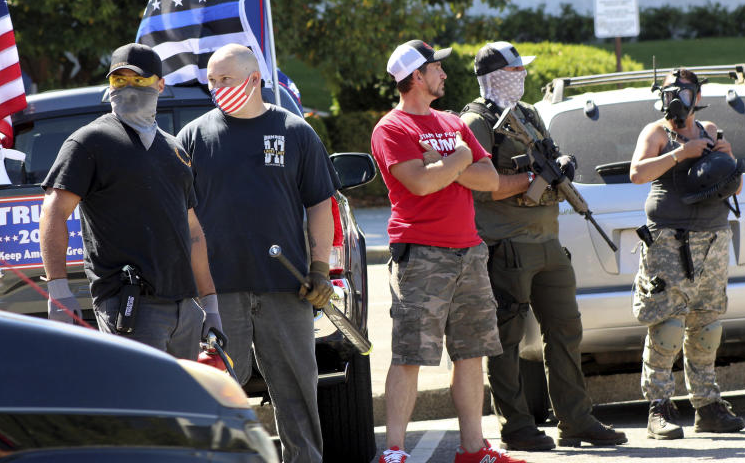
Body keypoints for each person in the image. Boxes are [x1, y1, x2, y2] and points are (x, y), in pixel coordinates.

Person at [459, 41, 627, 451]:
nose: (522, 78)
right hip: (507, 244)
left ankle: (576, 419)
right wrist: (527, 182)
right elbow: (476, 186)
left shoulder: (528, 114)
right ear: (495, 75)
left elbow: (547, 155)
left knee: (566, 329)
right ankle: (515, 426)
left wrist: (561, 164)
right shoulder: (476, 121)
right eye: (515, 72)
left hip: (548, 240)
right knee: (506, 337)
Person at [177, 43, 336, 463]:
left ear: (254, 79)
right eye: (211, 80)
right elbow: (176, 214)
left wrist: (320, 268)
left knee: (298, 393)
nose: (216, 88)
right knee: (214, 396)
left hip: (286, 289)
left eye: (225, 79)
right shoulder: (193, 136)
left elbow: (321, 203)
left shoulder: (296, 132)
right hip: (215, 293)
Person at [371, 39, 527, 463]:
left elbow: (490, 179)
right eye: (436, 67)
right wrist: (459, 161)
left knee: (471, 353)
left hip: (469, 252)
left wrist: (445, 165)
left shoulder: (451, 122)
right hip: (421, 255)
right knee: (410, 355)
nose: (443, 73)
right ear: (415, 77)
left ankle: (473, 450)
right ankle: (395, 451)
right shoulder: (392, 128)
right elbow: (419, 184)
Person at [40, 43, 221, 358]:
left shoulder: (176, 150)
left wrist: (210, 306)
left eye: (139, 80)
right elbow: (54, 214)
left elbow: (192, 231)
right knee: (145, 405)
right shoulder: (89, 142)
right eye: (118, 81)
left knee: (183, 406)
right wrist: (58, 291)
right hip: (130, 305)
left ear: (160, 85)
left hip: (185, 310)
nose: (127, 88)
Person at [628, 67, 745, 439]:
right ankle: (658, 408)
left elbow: (734, 189)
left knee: (707, 324)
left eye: (684, 92)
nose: (677, 98)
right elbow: (637, 173)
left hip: (712, 238)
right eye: (670, 92)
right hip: (669, 241)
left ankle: (707, 405)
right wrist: (681, 154)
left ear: (697, 95)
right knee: (666, 323)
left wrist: (727, 159)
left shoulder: (710, 130)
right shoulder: (657, 133)